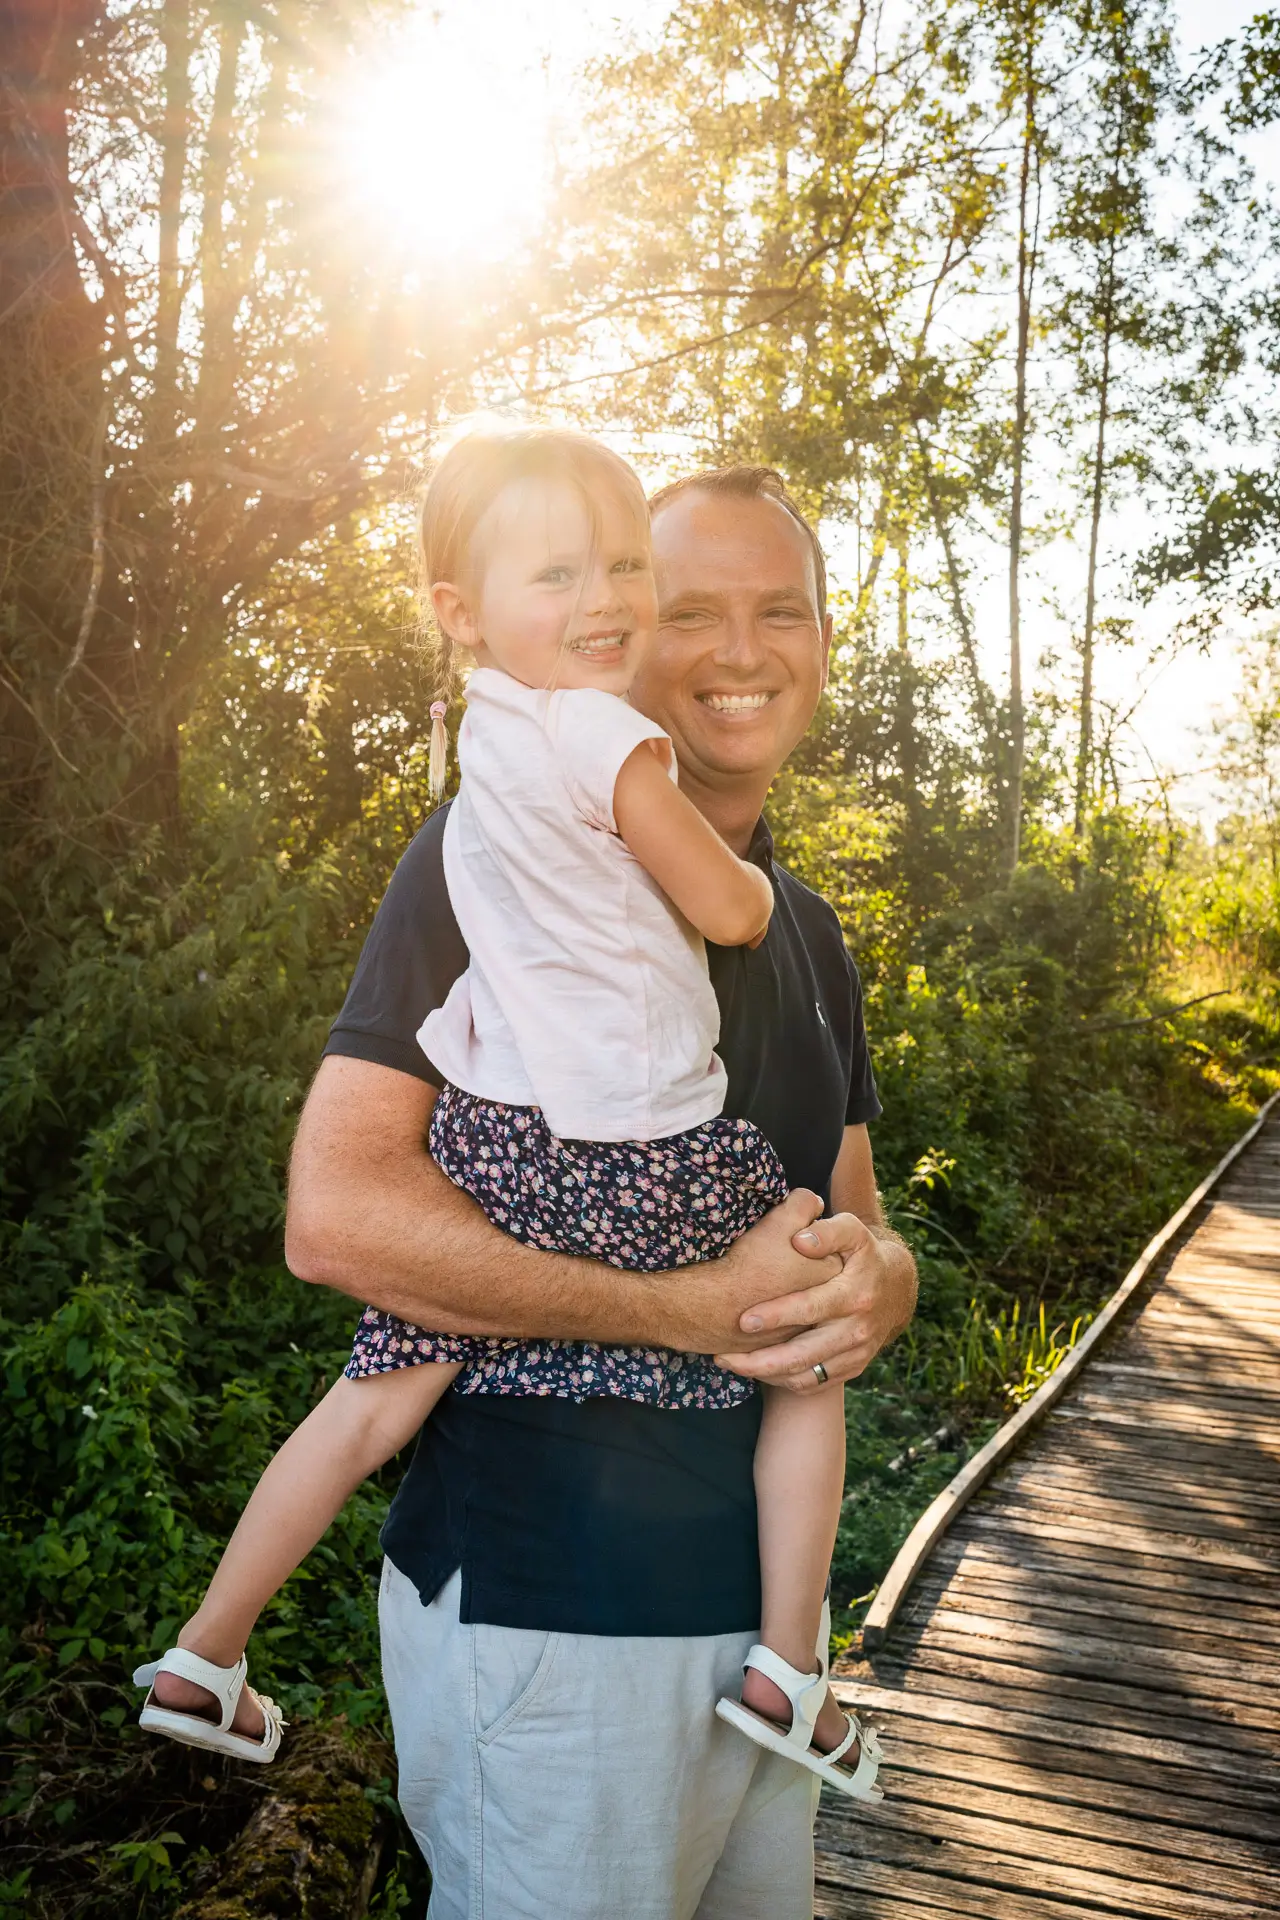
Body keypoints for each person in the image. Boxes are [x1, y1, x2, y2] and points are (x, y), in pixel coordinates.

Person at [184, 446, 912, 1917]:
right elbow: (337, 1221)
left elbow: (856, 1218)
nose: (739, 650)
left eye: (781, 609)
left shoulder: (815, 932)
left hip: (762, 1644)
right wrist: (689, 1308)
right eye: (691, 607)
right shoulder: (491, 860)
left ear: (825, 638)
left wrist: (884, 1282)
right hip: (553, 1624)